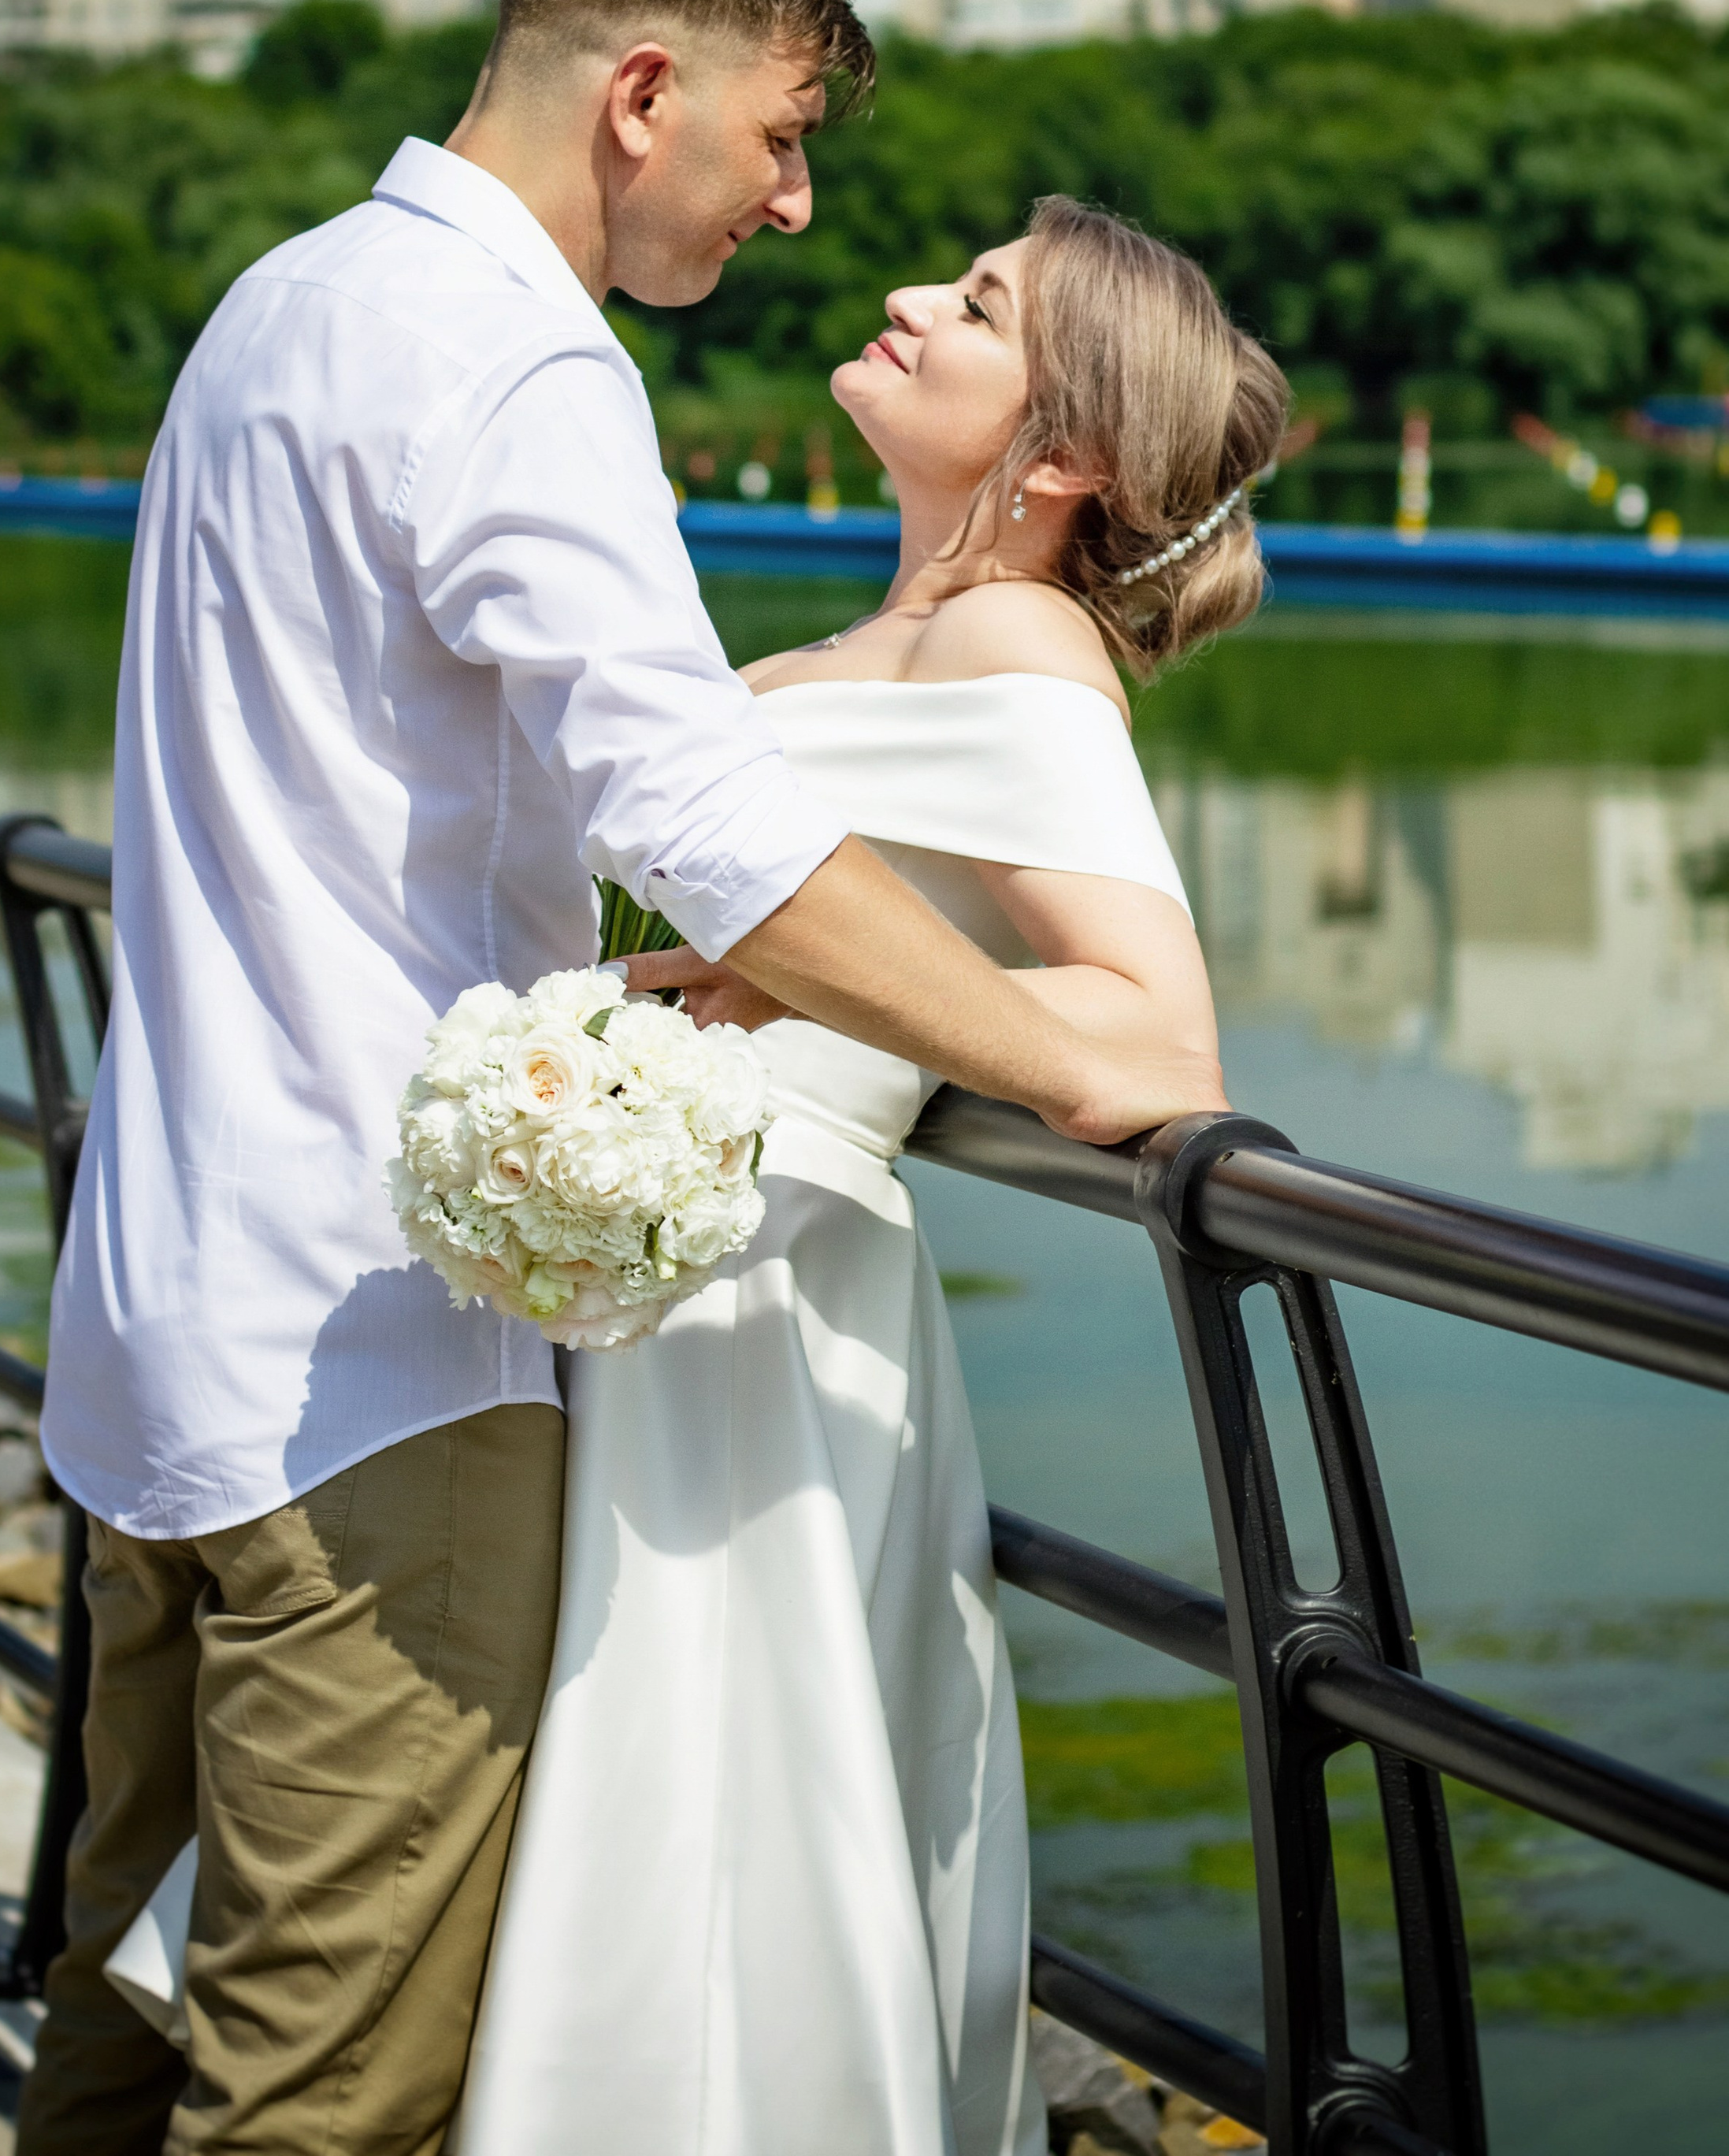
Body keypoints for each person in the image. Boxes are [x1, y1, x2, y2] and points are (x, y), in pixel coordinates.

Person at [17, 0, 1222, 2156]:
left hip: (159, 1321)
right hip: (373, 1367)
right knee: (317, 2091)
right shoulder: (517, 364)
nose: (793, 212)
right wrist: (1072, 1058)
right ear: (647, 91)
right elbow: (705, 814)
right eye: (783, 141)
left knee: (124, 2007)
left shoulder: (283, 303)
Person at [451, 196, 1287, 2155]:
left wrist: (844, 989)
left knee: (707, 1807)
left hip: (767, 1289)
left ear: (1060, 452)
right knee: (675, 1809)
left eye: (978, 302)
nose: (911, 297)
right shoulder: (889, 632)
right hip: (679, 1272)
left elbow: (1159, 1037)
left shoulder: (1011, 634)